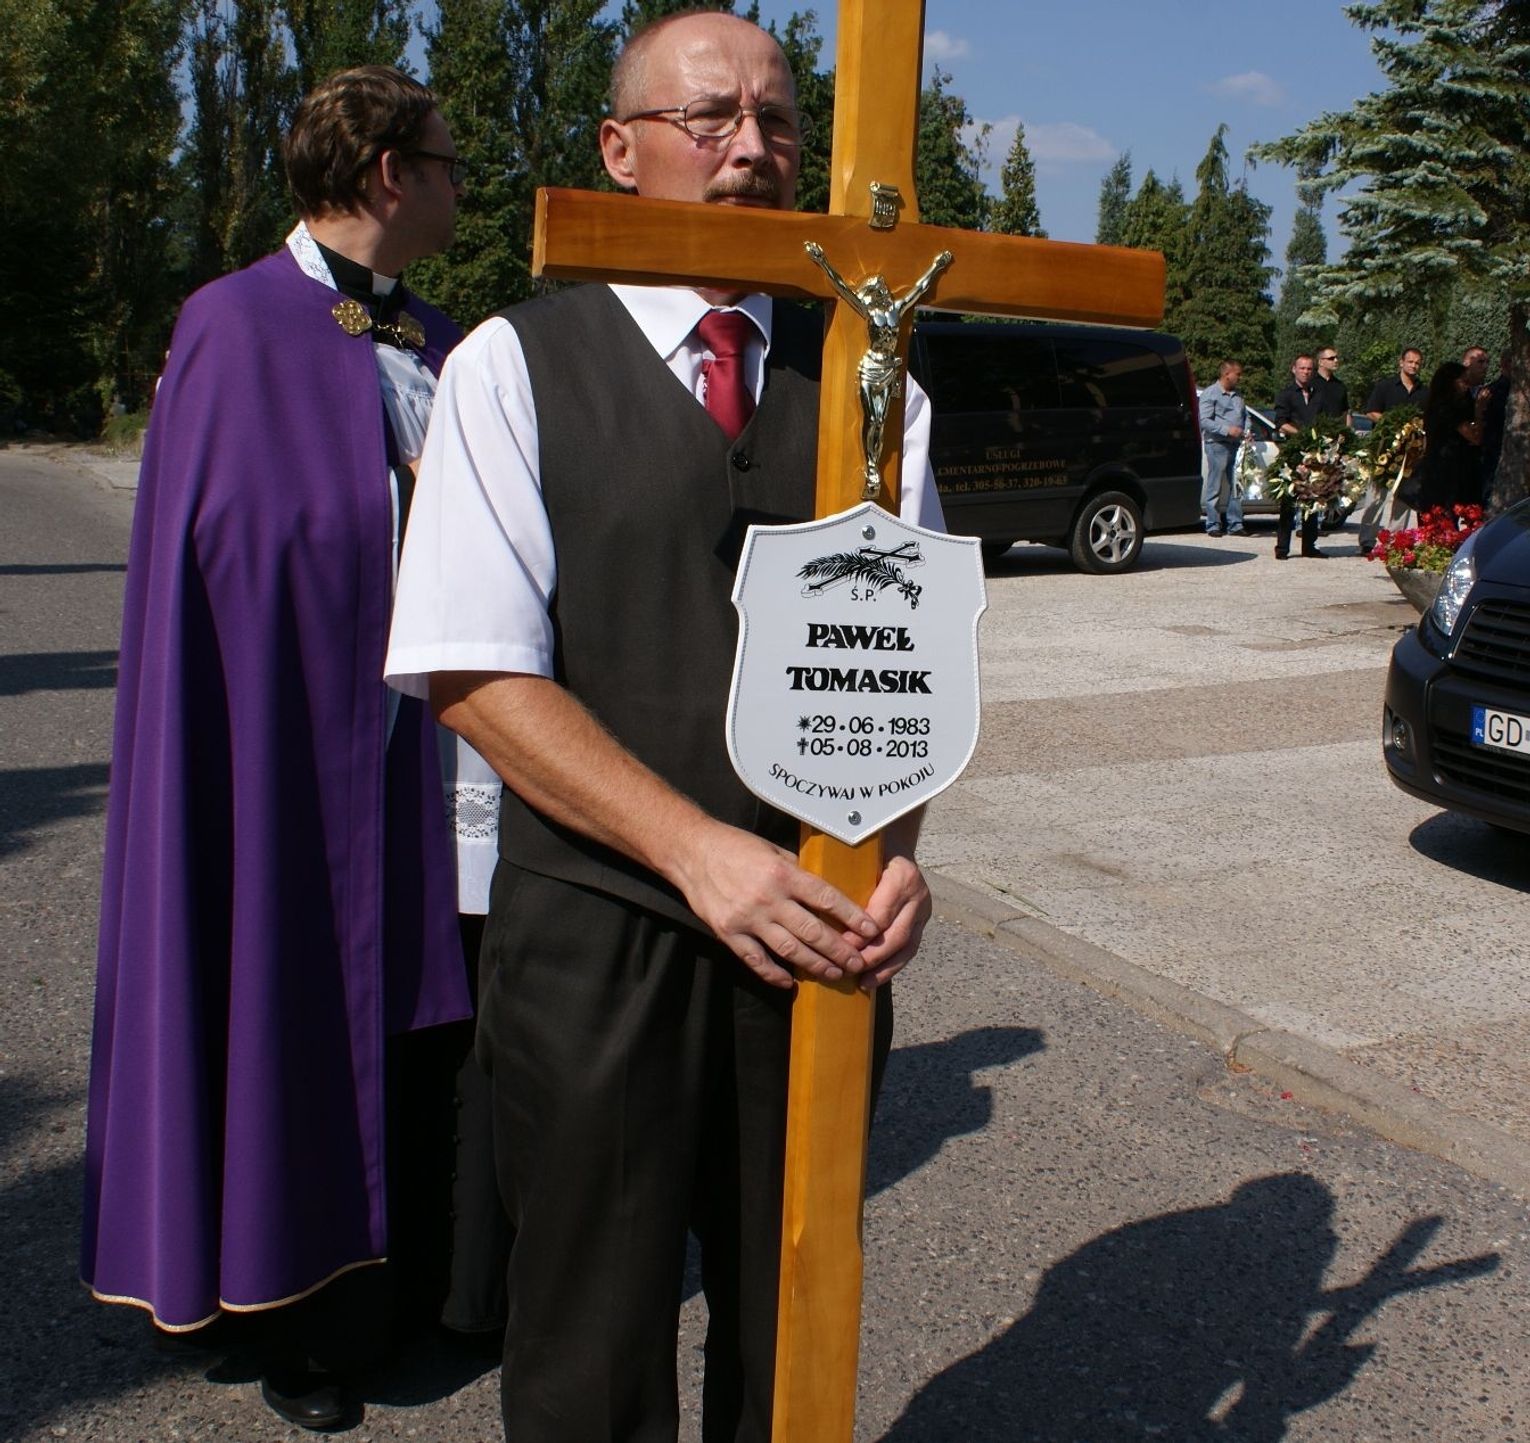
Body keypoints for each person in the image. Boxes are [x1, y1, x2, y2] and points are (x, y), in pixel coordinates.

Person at [385, 13, 938, 1441]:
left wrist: (894, 853)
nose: (751, 147)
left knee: (791, 1326)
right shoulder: (514, 365)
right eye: (709, 118)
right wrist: (699, 853)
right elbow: (473, 674)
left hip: (814, 932)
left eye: (778, 120)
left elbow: (902, 672)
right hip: (597, 931)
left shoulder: (872, 383)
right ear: (618, 152)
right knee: (593, 1348)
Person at [81, 66, 494, 1431]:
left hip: (439, 748)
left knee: (439, 1015)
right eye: (445, 161)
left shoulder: (444, 337)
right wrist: (400, 516)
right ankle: (302, 1316)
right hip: (291, 746)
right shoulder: (234, 324)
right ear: (387, 173)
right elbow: (239, 554)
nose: (459, 184)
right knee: (291, 988)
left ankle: (426, 1283)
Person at [1415, 360, 1489, 512]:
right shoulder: (1448, 407)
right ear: (1451, 382)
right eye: (1464, 382)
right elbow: (1474, 437)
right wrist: (1479, 411)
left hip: (1446, 468)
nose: (1467, 386)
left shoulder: (1440, 403)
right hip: (1447, 469)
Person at [1273, 354, 1325, 558]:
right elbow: (1281, 423)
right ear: (1294, 369)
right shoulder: (1286, 394)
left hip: (1315, 453)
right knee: (1289, 500)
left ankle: (1309, 546)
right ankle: (1282, 548)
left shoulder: (1318, 395)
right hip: (1293, 452)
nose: (1306, 372)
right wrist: (1301, 435)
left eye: (1309, 369)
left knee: (1312, 498)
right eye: (1302, 368)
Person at [1198, 360, 1247, 536]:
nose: (1240, 378)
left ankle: (1235, 524)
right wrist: (1227, 430)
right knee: (1215, 485)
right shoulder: (1210, 393)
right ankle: (1213, 524)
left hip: (1236, 445)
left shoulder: (1238, 395)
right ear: (1227, 374)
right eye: (1237, 374)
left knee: (1237, 485)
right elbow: (1204, 421)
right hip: (1217, 444)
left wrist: (1247, 431)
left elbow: (1245, 416)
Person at [1363, 346, 1425, 421]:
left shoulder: (1425, 391)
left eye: (1417, 363)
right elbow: (1371, 413)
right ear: (1401, 363)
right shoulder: (1384, 386)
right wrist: (1393, 424)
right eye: (1410, 362)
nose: (1413, 366)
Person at [1313, 344, 1348, 424]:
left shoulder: (1340, 386)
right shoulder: (1309, 384)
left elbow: (1345, 412)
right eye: (1331, 358)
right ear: (1320, 362)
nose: (1336, 360)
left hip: (1336, 430)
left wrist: (1346, 430)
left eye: (1336, 357)